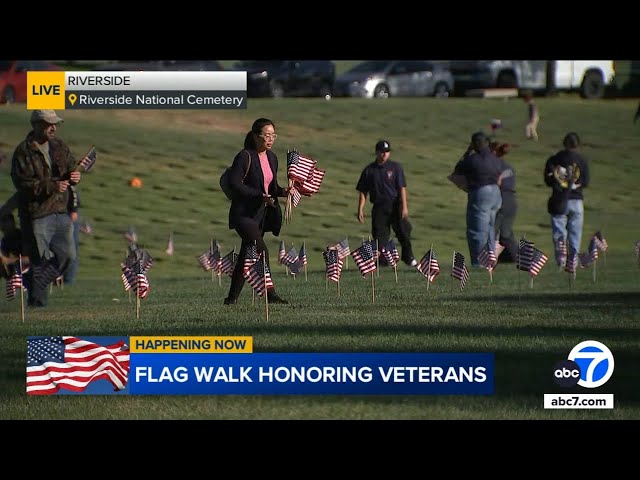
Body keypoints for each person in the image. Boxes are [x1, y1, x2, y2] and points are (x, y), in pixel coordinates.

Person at [10, 109, 81, 307]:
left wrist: (74, 176)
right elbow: (23, 185)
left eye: (55, 123)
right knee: (40, 259)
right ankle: (37, 303)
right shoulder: (23, 152)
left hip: (60, 210)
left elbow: (71, 167)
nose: (54, 127)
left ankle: (32, 281)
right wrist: (52, 186)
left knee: (67, 256)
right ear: (37, 125)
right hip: (37, 214)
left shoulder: (59, 145)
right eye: (49, 124)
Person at [223, 117, 290, 305]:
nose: (270, 139)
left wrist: (284, 191)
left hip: (261, 215)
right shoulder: (245, 156)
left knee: (246, 255)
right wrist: (259, 195)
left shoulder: (272, 158)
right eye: (266, 135)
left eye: (273, 135)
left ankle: (231, 299)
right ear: (255, 136)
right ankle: (270, 294)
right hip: (243, 215)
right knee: (261, 250)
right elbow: (235, 184)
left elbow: (272, 187)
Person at [356, 140, 416, 267]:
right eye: (382, 152)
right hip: (379, 206)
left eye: (387, 152)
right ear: (377, 152)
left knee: (404, 231)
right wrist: (360, 209)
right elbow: (363, 191)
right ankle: (383, 260)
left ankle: (408, 257)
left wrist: (404, 206)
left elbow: (402, 188)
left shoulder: (396, 168)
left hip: (395, 204)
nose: (384, 154)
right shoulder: (369, 170)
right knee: (380, 235)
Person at [448, 131, 503, 267]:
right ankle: (491, 260)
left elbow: (457, 170)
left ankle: (479, 263)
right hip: (496, 192)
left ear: (474, 144)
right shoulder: (495, 158)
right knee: (490, 228)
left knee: (477, 230)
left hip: (480, 192)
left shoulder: (472, 159)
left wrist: (467, 151)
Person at [544, 132, 589, 267]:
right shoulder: (582, 161)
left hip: (559, 200)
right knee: (575, 233)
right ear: (578, 144)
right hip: (577, 200)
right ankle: (573, 261)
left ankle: (561, 260)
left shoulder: (554, 159)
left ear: (564, 143)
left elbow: (547, 180)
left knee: (559, 233)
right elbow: (586, 182)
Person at [490, 142, 518, 263]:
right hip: (511, 200)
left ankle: (492, 260)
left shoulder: (493, 166)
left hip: (500, 200)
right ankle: (512, 258)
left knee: (495, 232)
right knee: (506, 233)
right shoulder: (509, 167)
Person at [63, 185, 80, 284]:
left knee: (71, 247)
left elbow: (72, 187)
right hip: (54, 210)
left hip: (68, 210)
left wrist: (73, 209)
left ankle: (68, 278)